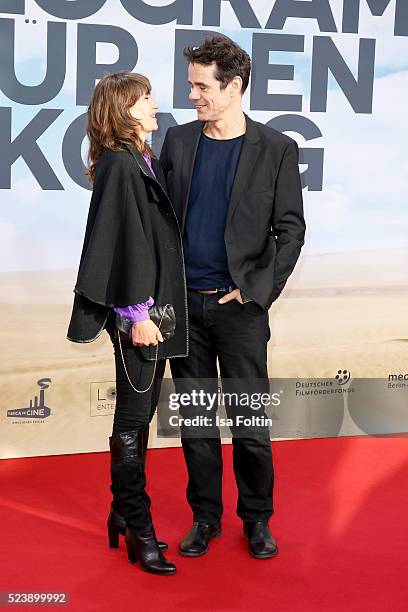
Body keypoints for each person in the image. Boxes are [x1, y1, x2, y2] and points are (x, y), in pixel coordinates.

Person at [160, 35, 306, 559]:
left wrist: (256, 290)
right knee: (198, 424)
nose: (193, 95)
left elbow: (291, 231)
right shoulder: (176, 142)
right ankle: (205, 517)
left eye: (202, 86)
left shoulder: (277, 148)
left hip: (239, 310)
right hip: (185, 309)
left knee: (249, 424)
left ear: (234, 86)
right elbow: (158, 222)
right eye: (191, 85)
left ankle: (257, 519)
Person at [67, 72, 188, 575]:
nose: (156, 104)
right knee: (134, 423)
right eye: (146, 99)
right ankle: (139, 527)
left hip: (158, 310)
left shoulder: (141, 160)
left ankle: (121, 510)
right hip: (142, 315)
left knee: (137, 421)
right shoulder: (120, 165)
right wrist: (136, 314)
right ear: (124, 110)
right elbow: (119, 242)